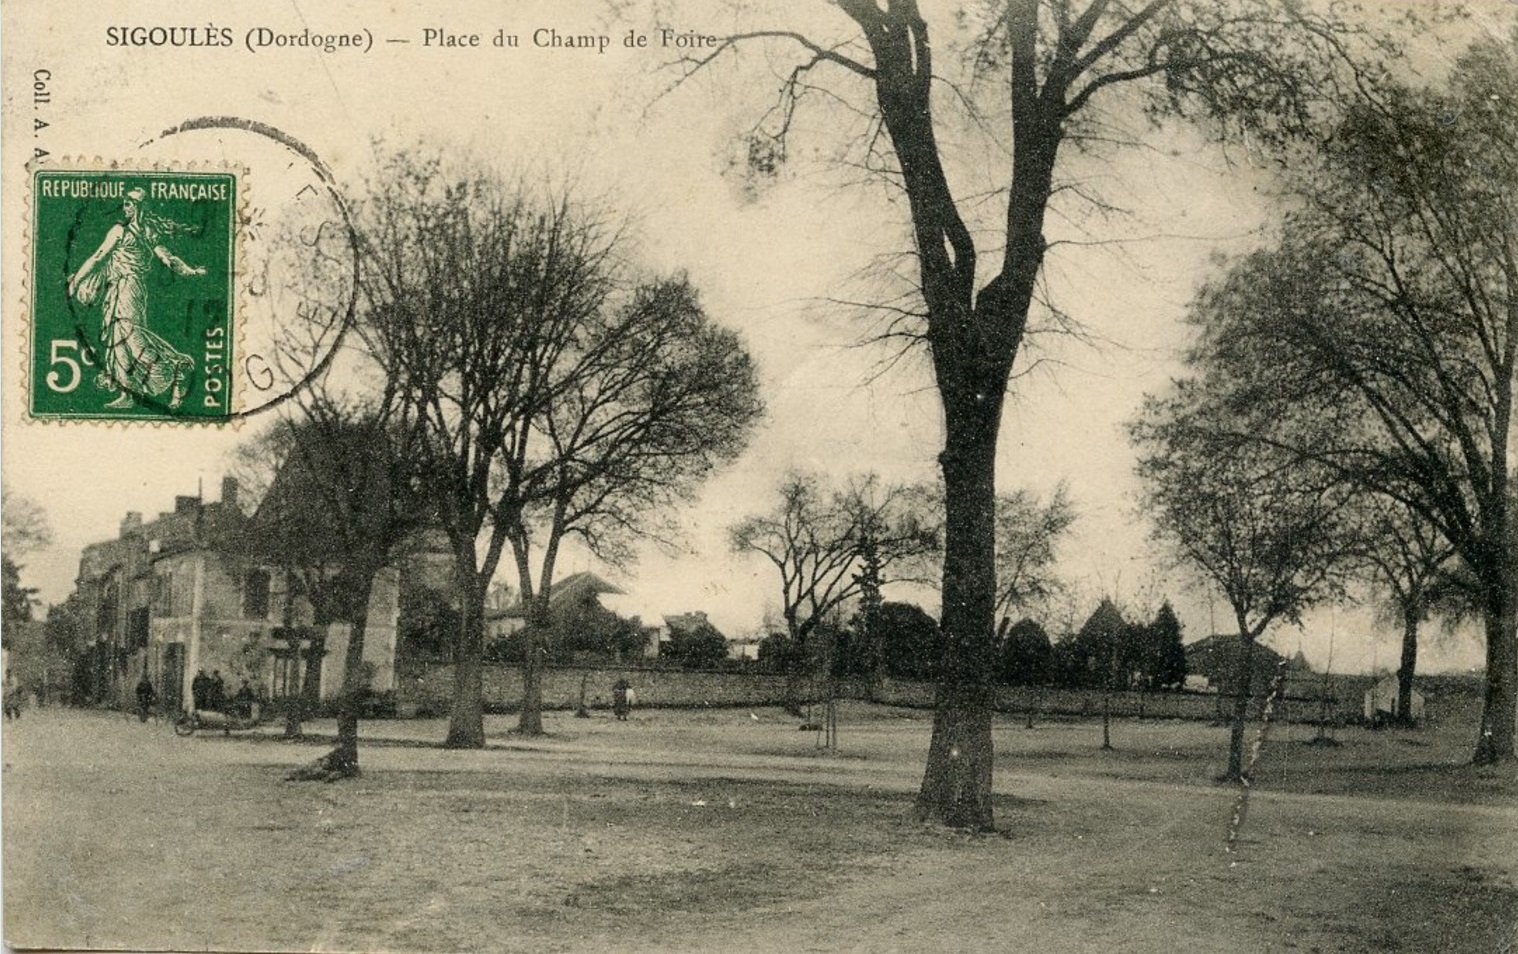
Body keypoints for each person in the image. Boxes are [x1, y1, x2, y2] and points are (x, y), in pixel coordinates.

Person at [66, 187, 202, 409]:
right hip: (118, 288)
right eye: (125, 203)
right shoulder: (145, 232)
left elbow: (99, 257)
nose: (125, 207)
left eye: (129, 204)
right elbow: (168, 259)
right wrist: (189, 271)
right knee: (116, 339)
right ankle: (130, 393)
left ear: (138, 206)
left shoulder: (123, 231)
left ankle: (178, 366)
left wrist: (75, 282)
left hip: (128, 288)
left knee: (129, 336)